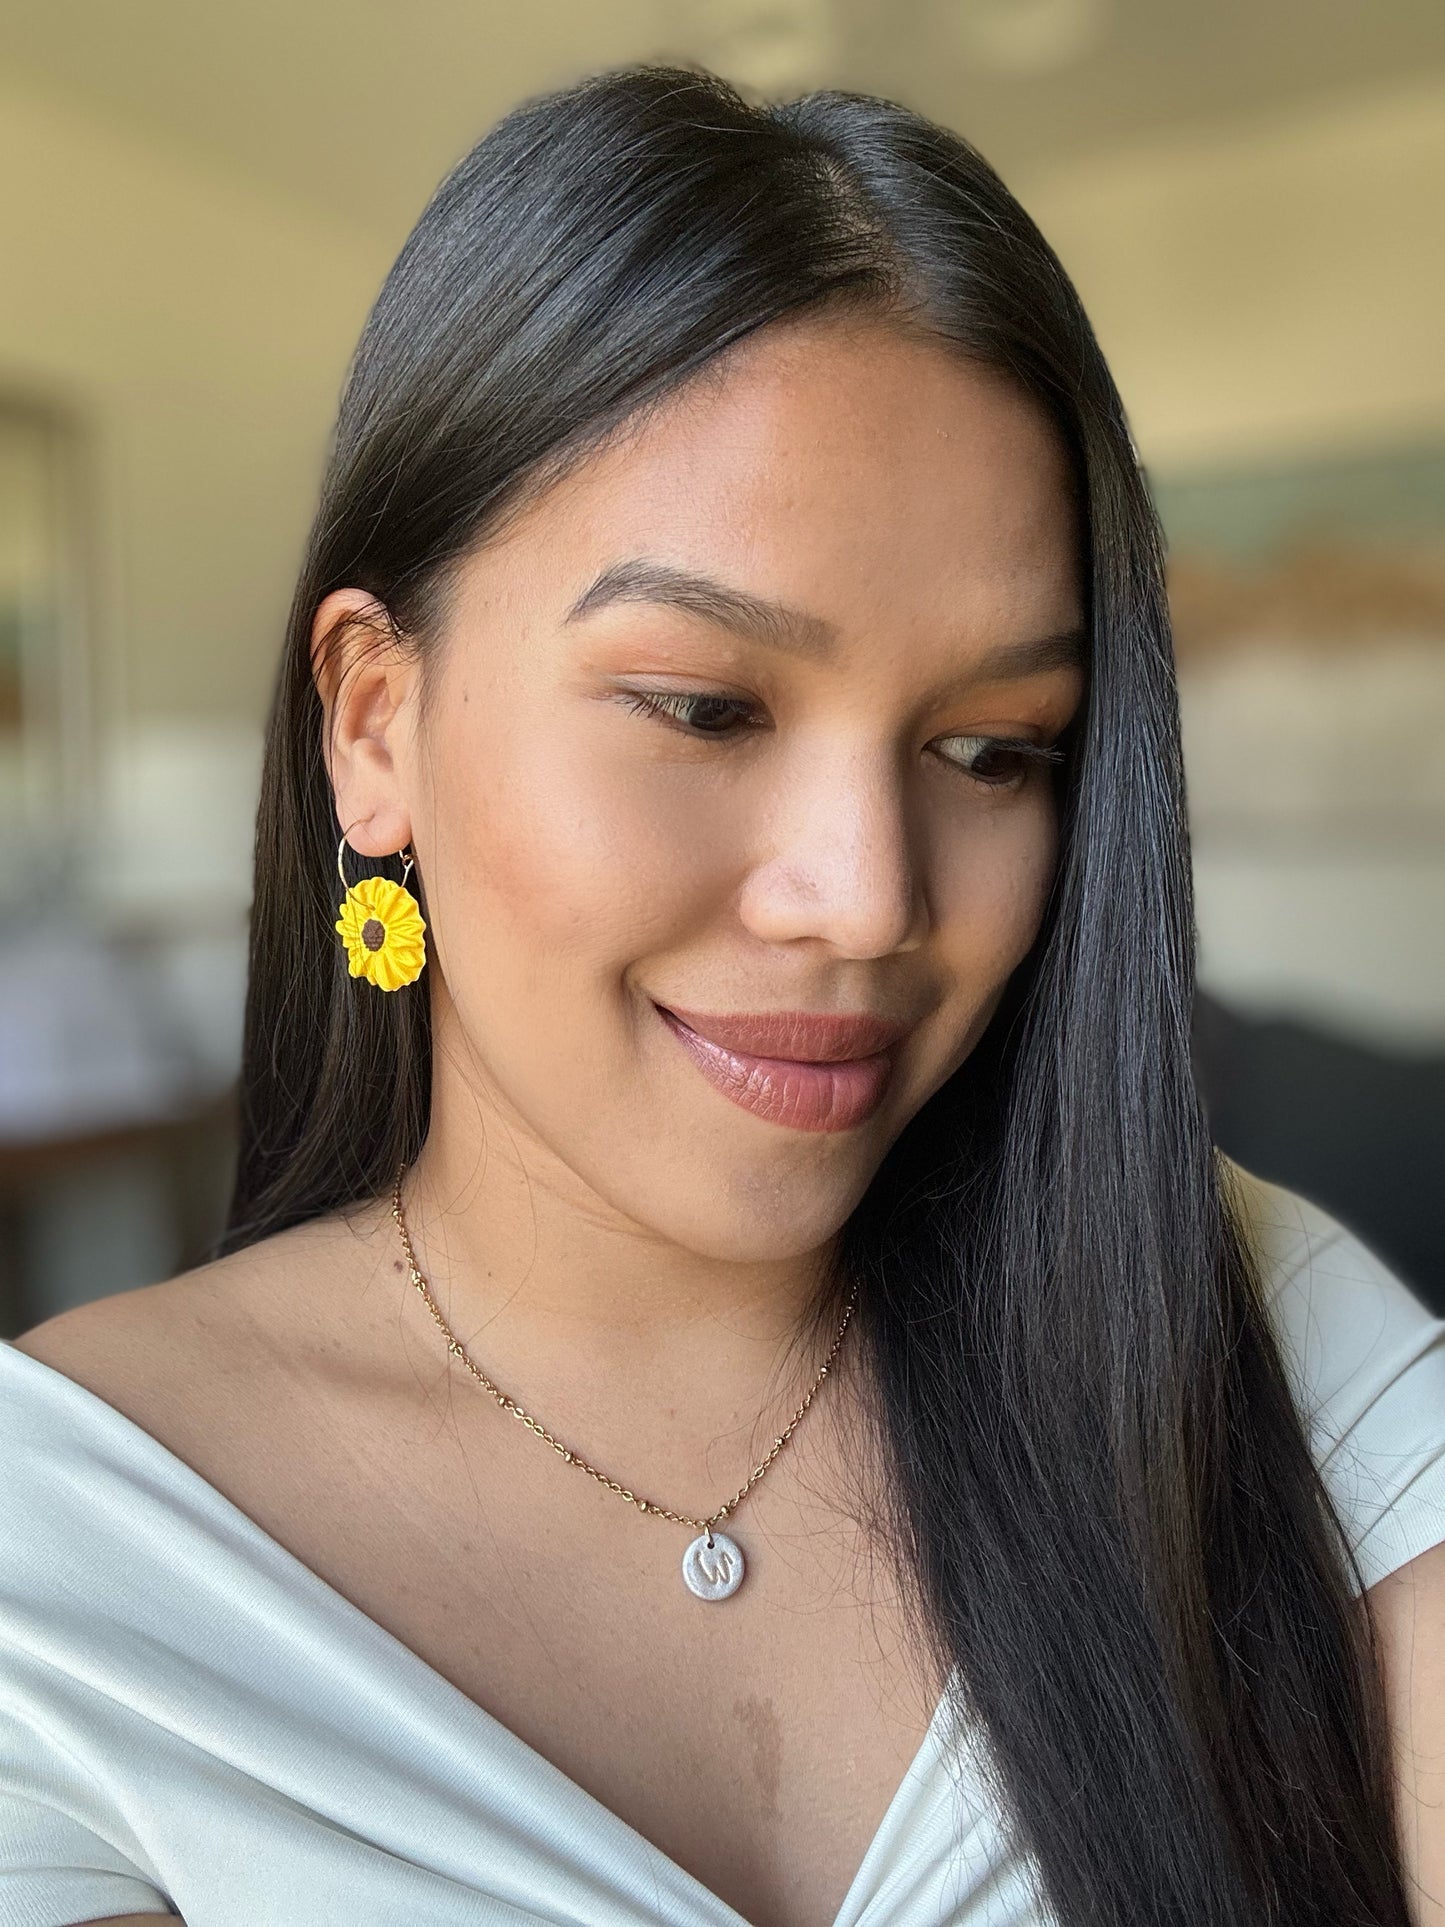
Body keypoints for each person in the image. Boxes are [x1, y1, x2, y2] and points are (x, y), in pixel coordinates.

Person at [2, 63, 1442, 1927]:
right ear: (376, 725)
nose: (867, 899)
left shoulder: (1252, 1331)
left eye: (997, 748)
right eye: (704, 709)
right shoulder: (68, 1560)